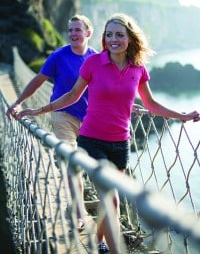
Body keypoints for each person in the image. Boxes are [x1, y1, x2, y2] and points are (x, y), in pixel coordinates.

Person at [11, 13, 200, 254]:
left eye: (119, 35)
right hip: (92, 139)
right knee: (112, 200)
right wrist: (39, 109)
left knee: (108, 199)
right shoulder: (92, 63)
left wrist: (181, 116)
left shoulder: (138, 69)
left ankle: (97, 241)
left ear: (130, 39)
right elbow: (72, 96)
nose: (113, 39)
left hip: (121, 143)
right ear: (103, 38)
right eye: (109, 34)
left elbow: (151, 105)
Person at [6, 14, 97, 231]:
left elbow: (106, 88)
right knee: (72, 165)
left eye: (78, 29)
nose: (73, 34)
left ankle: (80, 207)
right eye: (71, 30)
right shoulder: (58, 56)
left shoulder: (96, 58)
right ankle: (79, 213)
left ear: (88, 33)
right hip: (62, 114)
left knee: (89, 167)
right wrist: (18, 102)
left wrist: (129, 107)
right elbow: (39, 80)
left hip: (90, 119)